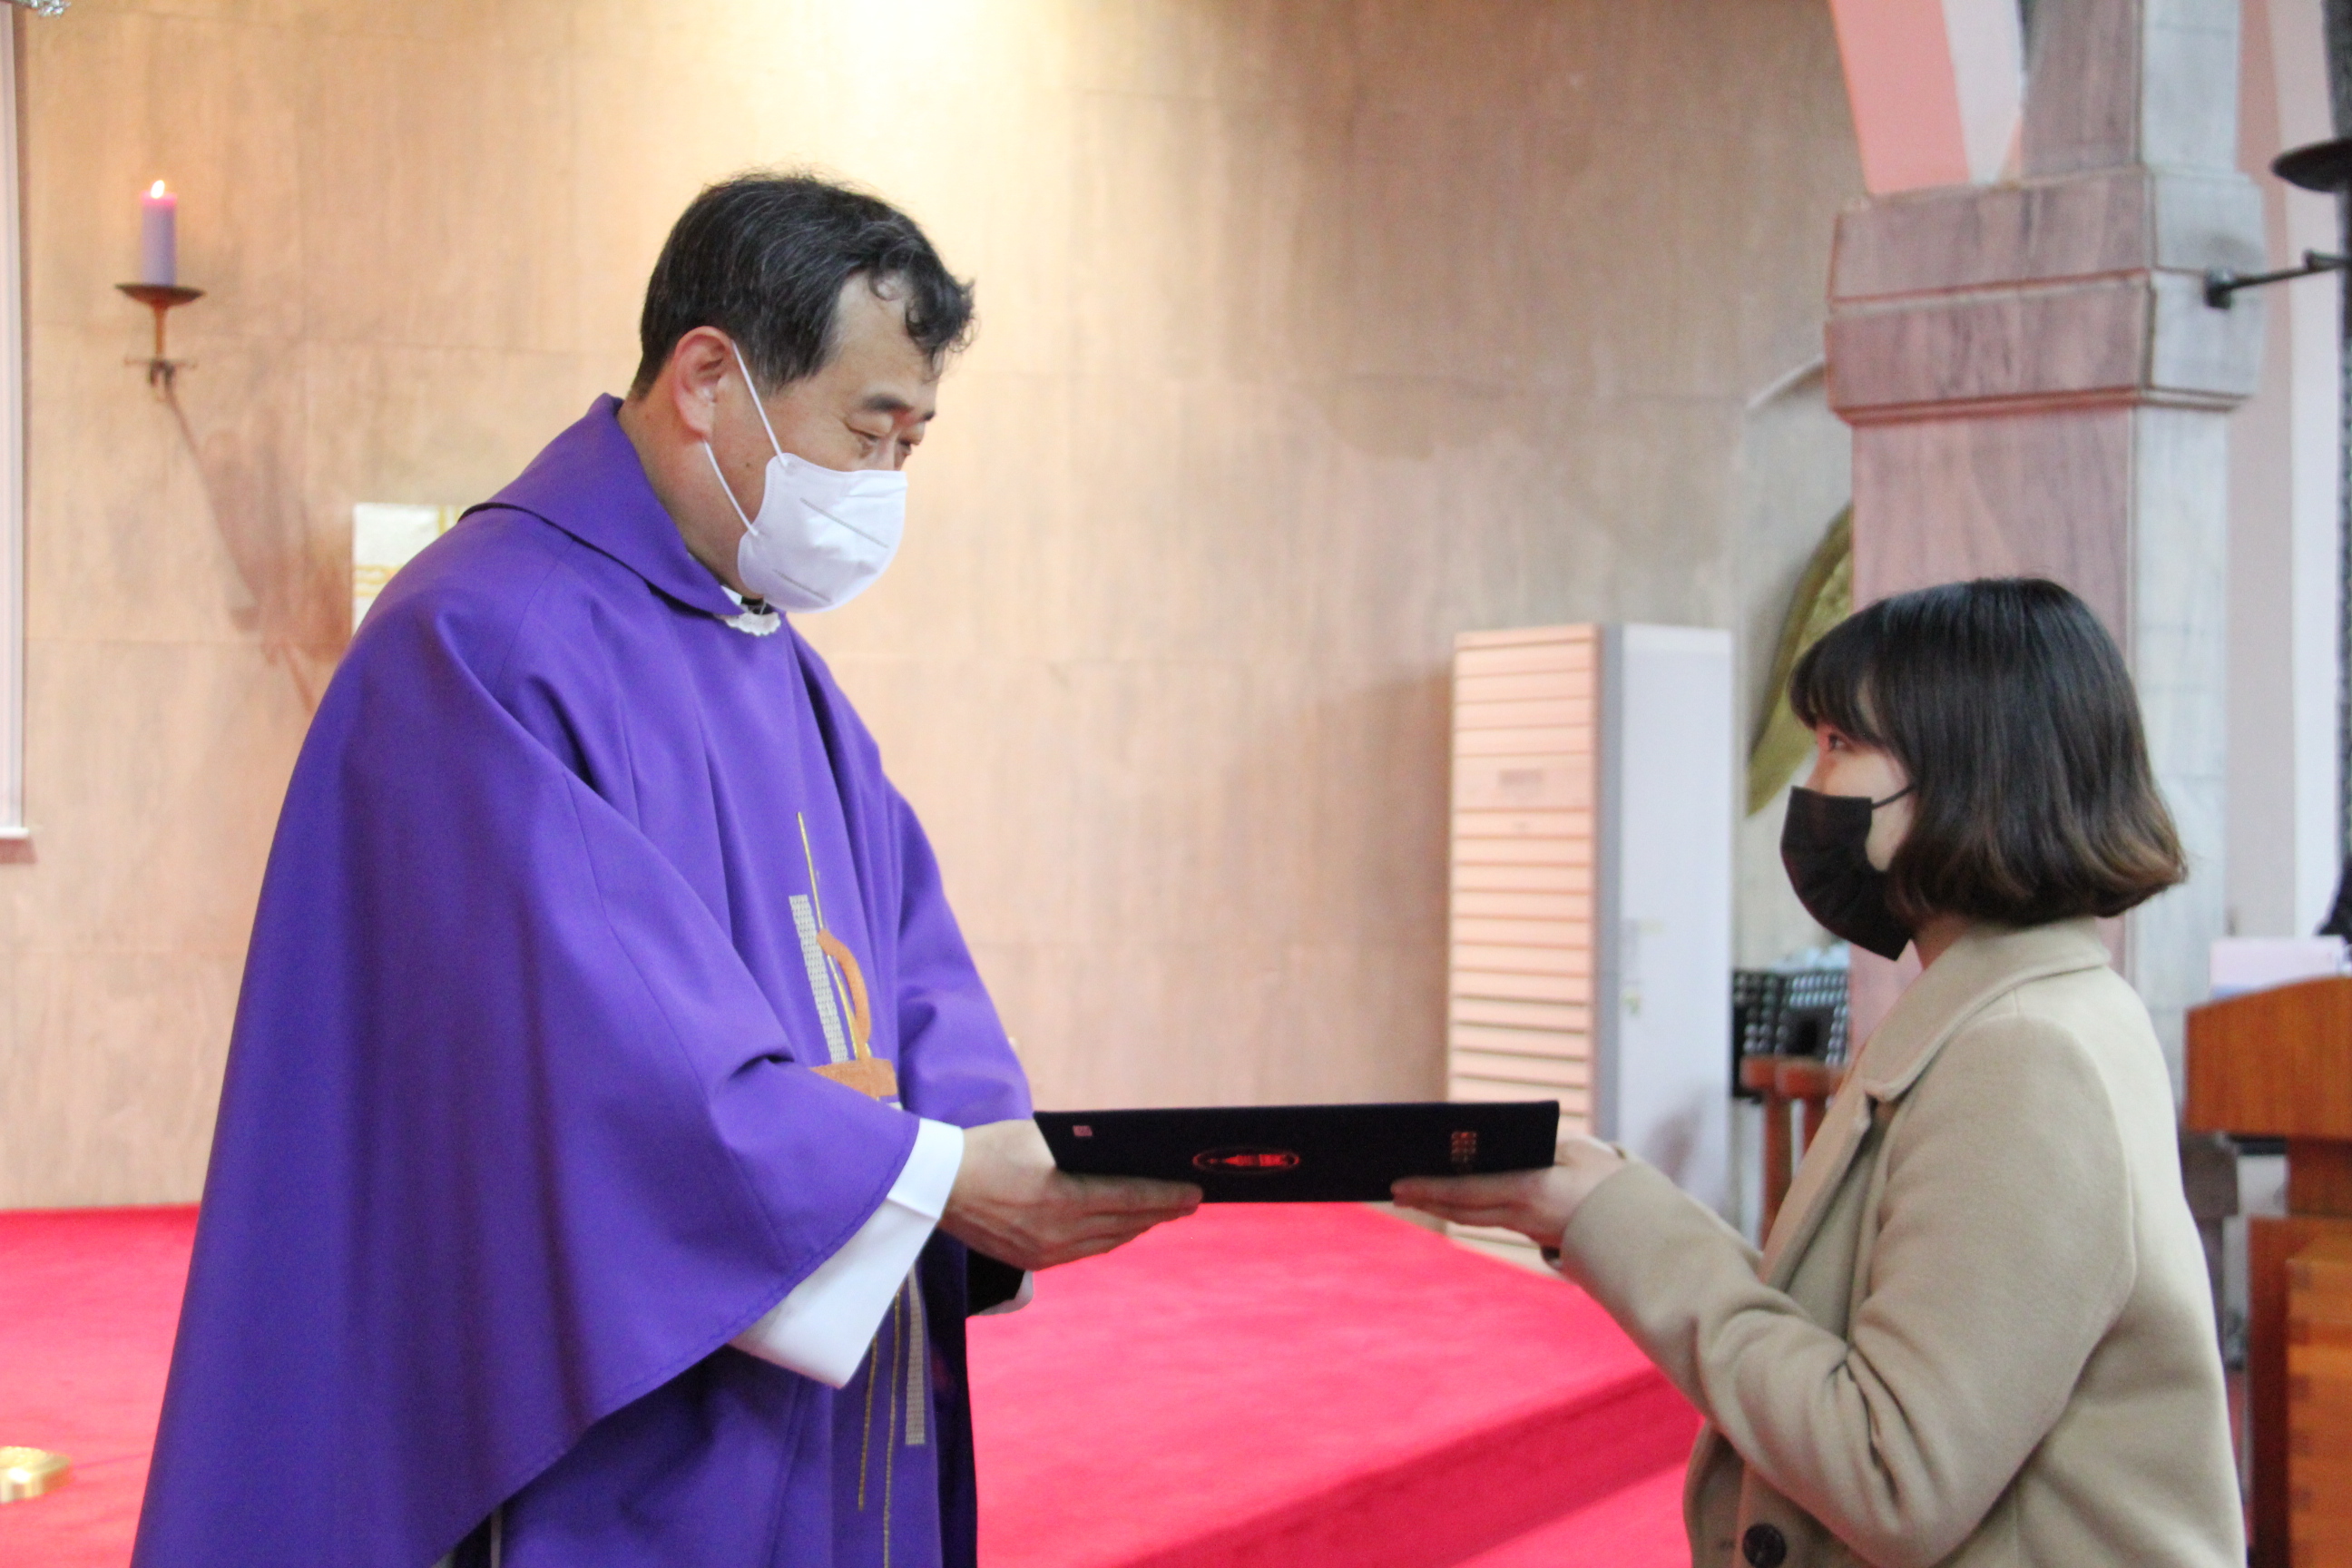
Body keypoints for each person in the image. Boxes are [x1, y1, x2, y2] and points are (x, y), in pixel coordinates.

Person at [132, 173, 1200, 1568]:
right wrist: (925, 1173)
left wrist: (991, 1147)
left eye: (911, 446)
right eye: (866, 432)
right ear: (706, 379)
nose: (883, 487)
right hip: (624, 1432)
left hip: (818, 1374)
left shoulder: (775, 660)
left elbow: (908, 958)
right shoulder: (484, 640)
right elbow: (587, 1066)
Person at [1397, 578, 2243, 1568]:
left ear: (1969, 772)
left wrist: (1612, 1219)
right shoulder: (2015, 1013)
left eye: (1840, 744)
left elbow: (1894, 1471)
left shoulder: (2024, 1054)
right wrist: (1605, 1206)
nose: (1813, 782)